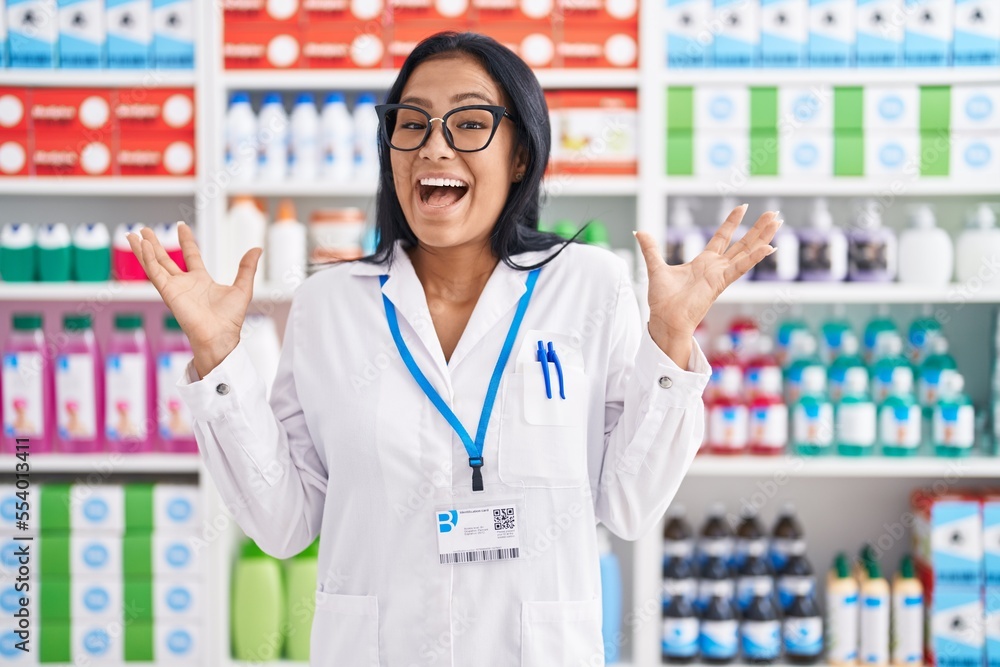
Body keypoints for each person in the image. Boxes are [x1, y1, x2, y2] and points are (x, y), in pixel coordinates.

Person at [128, 31, 780, 667]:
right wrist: (218, 355)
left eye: (469, 124)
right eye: (411, 124)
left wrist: (670, 340)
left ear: (519, 154)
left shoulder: (589, 286)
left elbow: (629, 504)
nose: (434, 146)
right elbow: (284, 522)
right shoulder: (331, 305)